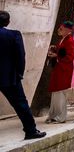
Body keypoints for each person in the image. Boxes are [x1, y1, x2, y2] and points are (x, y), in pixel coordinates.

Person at [0, 11, 46, 140]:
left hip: (8, 76)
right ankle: (31, 131)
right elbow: (20, 56)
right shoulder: (13, 35)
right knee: (21, 104)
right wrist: (19, 73)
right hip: (9, 77)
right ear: (7, 22)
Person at [46, 21, 74, 123]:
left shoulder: (70, 41)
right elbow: (62, 52)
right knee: (56, 93)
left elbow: (70, 57)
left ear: (68, 30)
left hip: (64, 70)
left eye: (61, 28)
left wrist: (56, 56)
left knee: (60, 93)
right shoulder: (63, 40)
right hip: (59, 69)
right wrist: (55, 50)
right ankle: (53, 114)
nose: (59, 30)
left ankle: (60, 116)